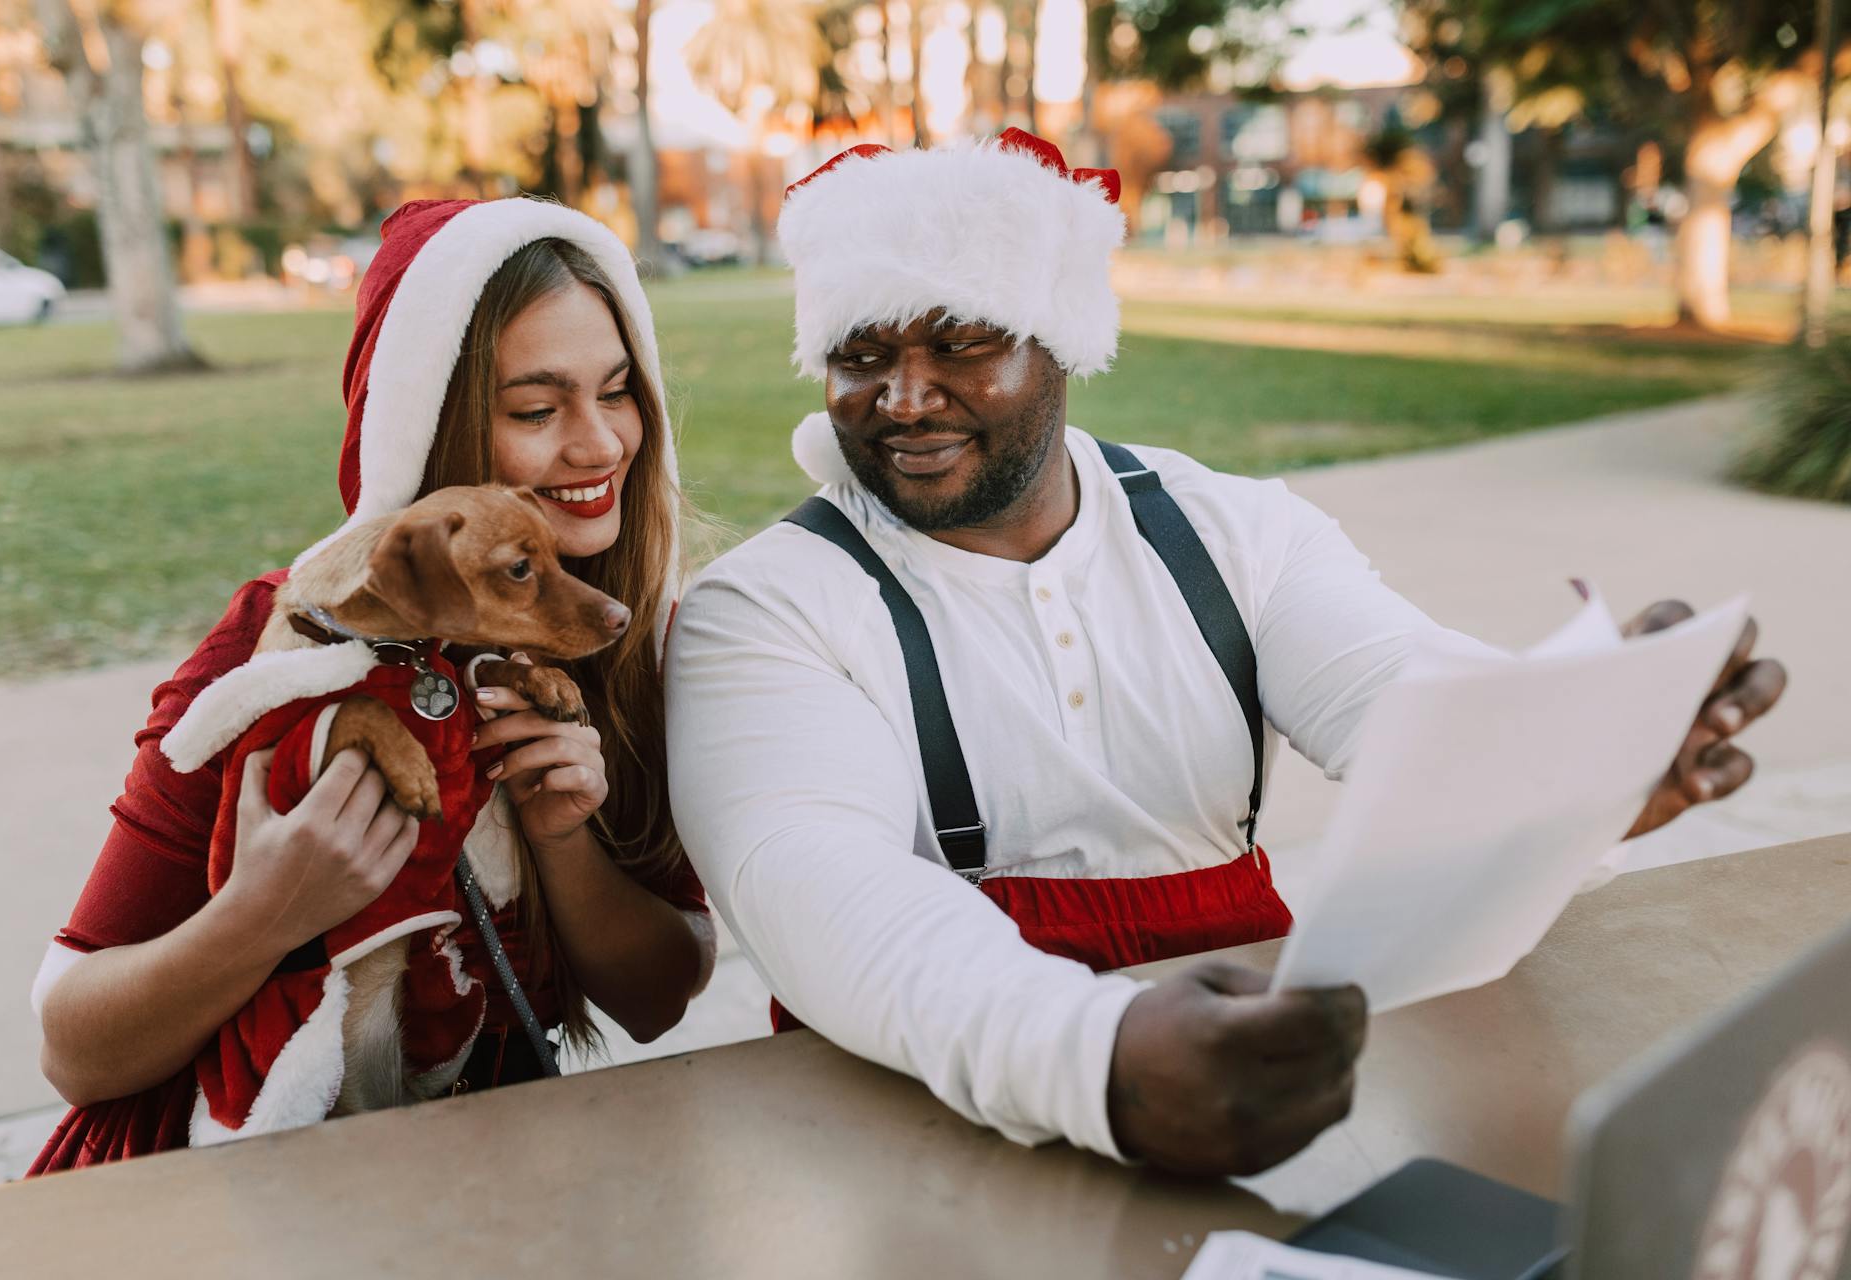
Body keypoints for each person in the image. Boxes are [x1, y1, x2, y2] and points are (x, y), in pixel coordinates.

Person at [664, 131, 1786, 1177]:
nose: (905, 397)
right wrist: (1096, 1057)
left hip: (1263, 1082)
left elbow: (1417, 705)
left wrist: (1586, 754)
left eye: (960, 340)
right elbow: (820, 891)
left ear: (1060, 338)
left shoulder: (1233, 531)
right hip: (910, 1134)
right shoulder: (764, 608)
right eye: (861, 355)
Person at [29, 197, 715, 1172]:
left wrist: (562, 833)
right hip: (238, 1170)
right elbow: (74, 1048)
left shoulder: (624, 637)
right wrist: (266, 912)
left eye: (618, 390)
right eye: (535, 406)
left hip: (499, 1163)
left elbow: (656, 1000)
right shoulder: (285, 645)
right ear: (426, 423)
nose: (600, 442)